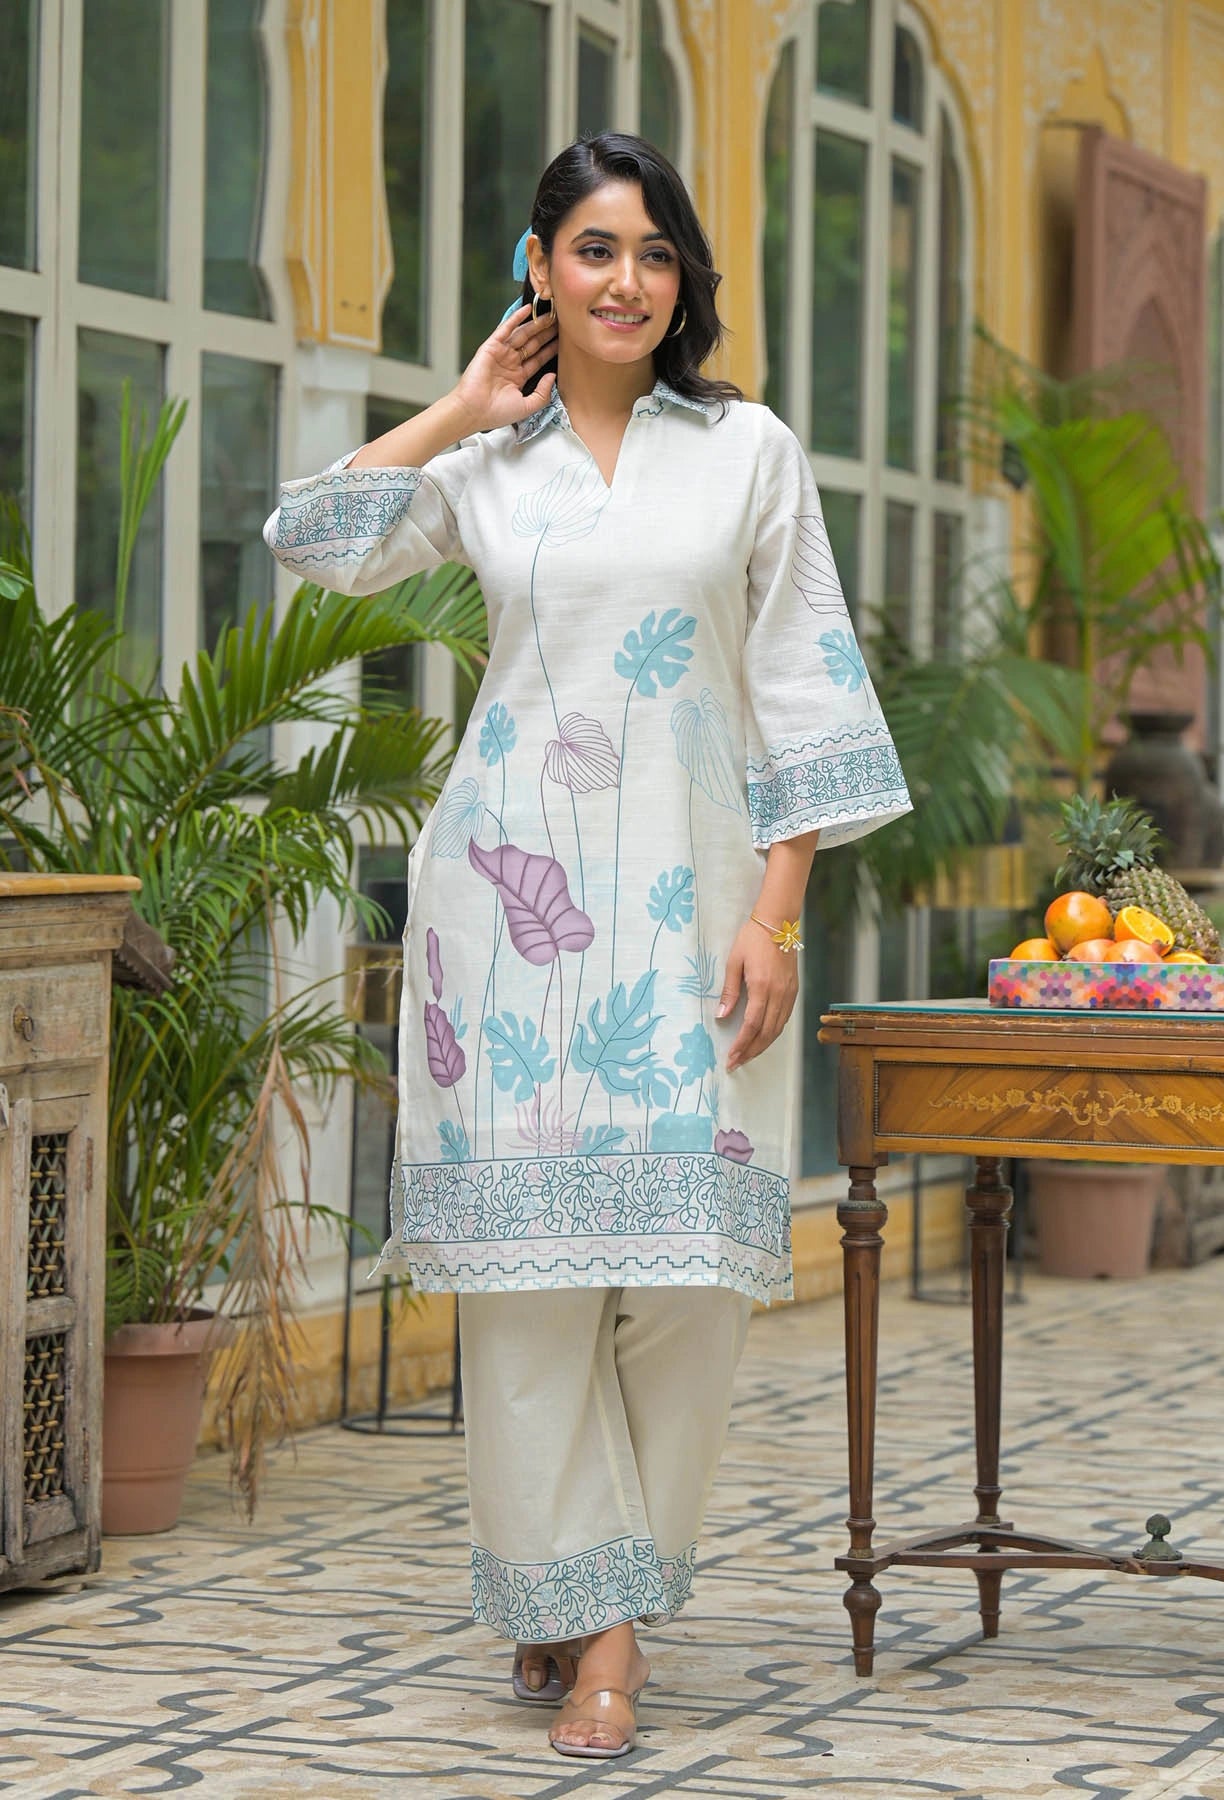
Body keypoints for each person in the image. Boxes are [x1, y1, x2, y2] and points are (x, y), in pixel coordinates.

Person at [264, 132, 910, 1761]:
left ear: (685, 280)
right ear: (540, 270)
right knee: (531, 1289)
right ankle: (599, 1628)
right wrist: (461, 409)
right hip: (505, 919)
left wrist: (777, 916)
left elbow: (809, 693)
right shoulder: (492, 464)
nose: (628, 281)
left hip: (700, 917)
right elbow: (308, 537)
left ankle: (586, 1582)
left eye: (655, 252)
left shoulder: (747, 452)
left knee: (689, 1285)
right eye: (596, 249)